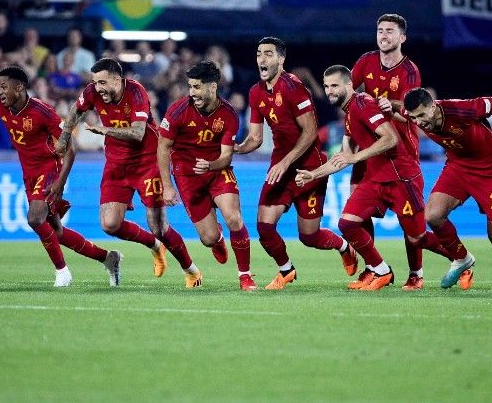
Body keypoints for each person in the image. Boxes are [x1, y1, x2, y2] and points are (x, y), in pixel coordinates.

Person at [0, 66, 121, 288]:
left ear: (20, 87)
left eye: (4, 87)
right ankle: (108, 258)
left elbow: (70, 148)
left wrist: (60, 182)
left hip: (49, 169)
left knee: (35, 219)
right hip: (29, 174)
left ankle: (63, 273)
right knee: (57, 232)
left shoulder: (43, 112)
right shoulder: (0, 106)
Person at [296, 66, 451, 291]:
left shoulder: (362, 105)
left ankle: (460, 257)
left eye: (335, 86)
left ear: (349, 85)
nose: (329, 91)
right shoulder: (350, 112)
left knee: (417, 237)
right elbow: (343, 157)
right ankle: (381, 270)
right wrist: (313, 174)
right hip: (376, 179)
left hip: (401, 178)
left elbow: (390, 138)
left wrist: (356, 157)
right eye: (327, 86)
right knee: (347, 223)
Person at [56, 58, 201, 288]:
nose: (98, 88)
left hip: (147, 162)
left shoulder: (135, 93)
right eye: (95, 82)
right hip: (116, 164)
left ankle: (191, 271)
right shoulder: (93, 92)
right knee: (110, 225)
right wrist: (63, 139)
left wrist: (104, 130)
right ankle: (154, 245)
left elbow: (138, 133)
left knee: (158, 227)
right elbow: (76, 110)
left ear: (117, 79)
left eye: (103, 82)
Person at [235, 38, 356, 290]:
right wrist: (235, 148)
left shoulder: (294, 87)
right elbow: (255, 138)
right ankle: (286, 270)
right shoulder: (256, 92)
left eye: (268, 54)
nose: (262, 59)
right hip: (280, 168)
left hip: (309, 168)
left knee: (309, 236)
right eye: (259, 54)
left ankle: (344, 247)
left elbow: (311, 131)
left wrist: (286, 161)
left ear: (281, 60)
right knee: (264, 227)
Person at [401, 88, 492, 291]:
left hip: (491, 169)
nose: (418, 122)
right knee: (433, 216)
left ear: (433, 106)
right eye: (413, 117)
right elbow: (394, 107)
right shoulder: (411, 113)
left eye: (421, 115)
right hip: (458, 166)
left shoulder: (461, 110)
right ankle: (461, 258)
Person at [157, 61, 256, 291]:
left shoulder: (229, 115)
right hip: (188, 177)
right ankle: (218, 240)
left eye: (197, 87)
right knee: (208, 238)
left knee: (234, 218)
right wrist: (167, 186)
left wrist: (211, 165)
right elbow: (163, 146)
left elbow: (226, 157)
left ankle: (245, 276)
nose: (192, 93)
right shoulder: (178, 110)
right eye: (190, 87)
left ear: (213, 87)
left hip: (217, 171)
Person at [350, 13, 426, 290]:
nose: (383, 35)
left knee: (409, 220)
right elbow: (348, 91)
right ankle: (374, 269)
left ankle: (416, 273)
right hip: (369, 150)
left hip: (400, 152)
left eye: (390, 31)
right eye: (380, 30)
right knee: (357, 212)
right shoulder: (366, 61)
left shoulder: (410, 72)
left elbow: (415, 115)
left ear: (402, 37)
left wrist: (392, 106)